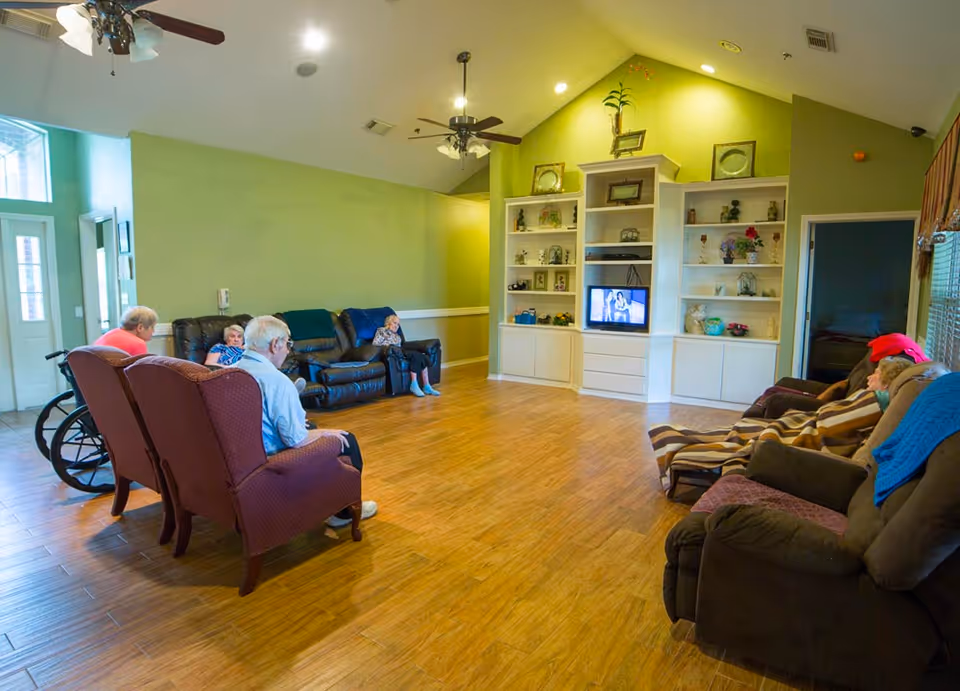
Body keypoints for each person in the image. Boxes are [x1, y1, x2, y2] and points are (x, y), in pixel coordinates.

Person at [649, 356, 915, 495]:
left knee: (730, 437)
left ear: (887, 382)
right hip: (799, 428)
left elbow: (829, 424)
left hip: (797, 439)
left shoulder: (872, 404)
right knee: (730, 432)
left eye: (877, 374)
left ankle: (677, 440)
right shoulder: (876, 401)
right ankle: (680, 439)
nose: (870, 377)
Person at [234, 315, 377, 527]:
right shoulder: (275, 380)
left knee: (311, 426)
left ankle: (323, 499)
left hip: (243, 454)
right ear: (276, 344)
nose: (288, 350)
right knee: (347, 440)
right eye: (287, 344)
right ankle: (343, 514)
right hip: (272, 457)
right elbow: (296, 440)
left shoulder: (230, 371)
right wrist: (327, 434)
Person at [372, 314, 440, 398]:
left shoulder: (397, 336)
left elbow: (401, 345)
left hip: (401, 350)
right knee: (415, 356)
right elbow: (375, 344)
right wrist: (388, 345)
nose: (396, 326)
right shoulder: (381, 331)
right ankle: (414, 385)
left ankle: (427, 386)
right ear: (388, 323)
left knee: (421, 356)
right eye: (394, 323)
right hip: (393, 352)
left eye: (398, 324)